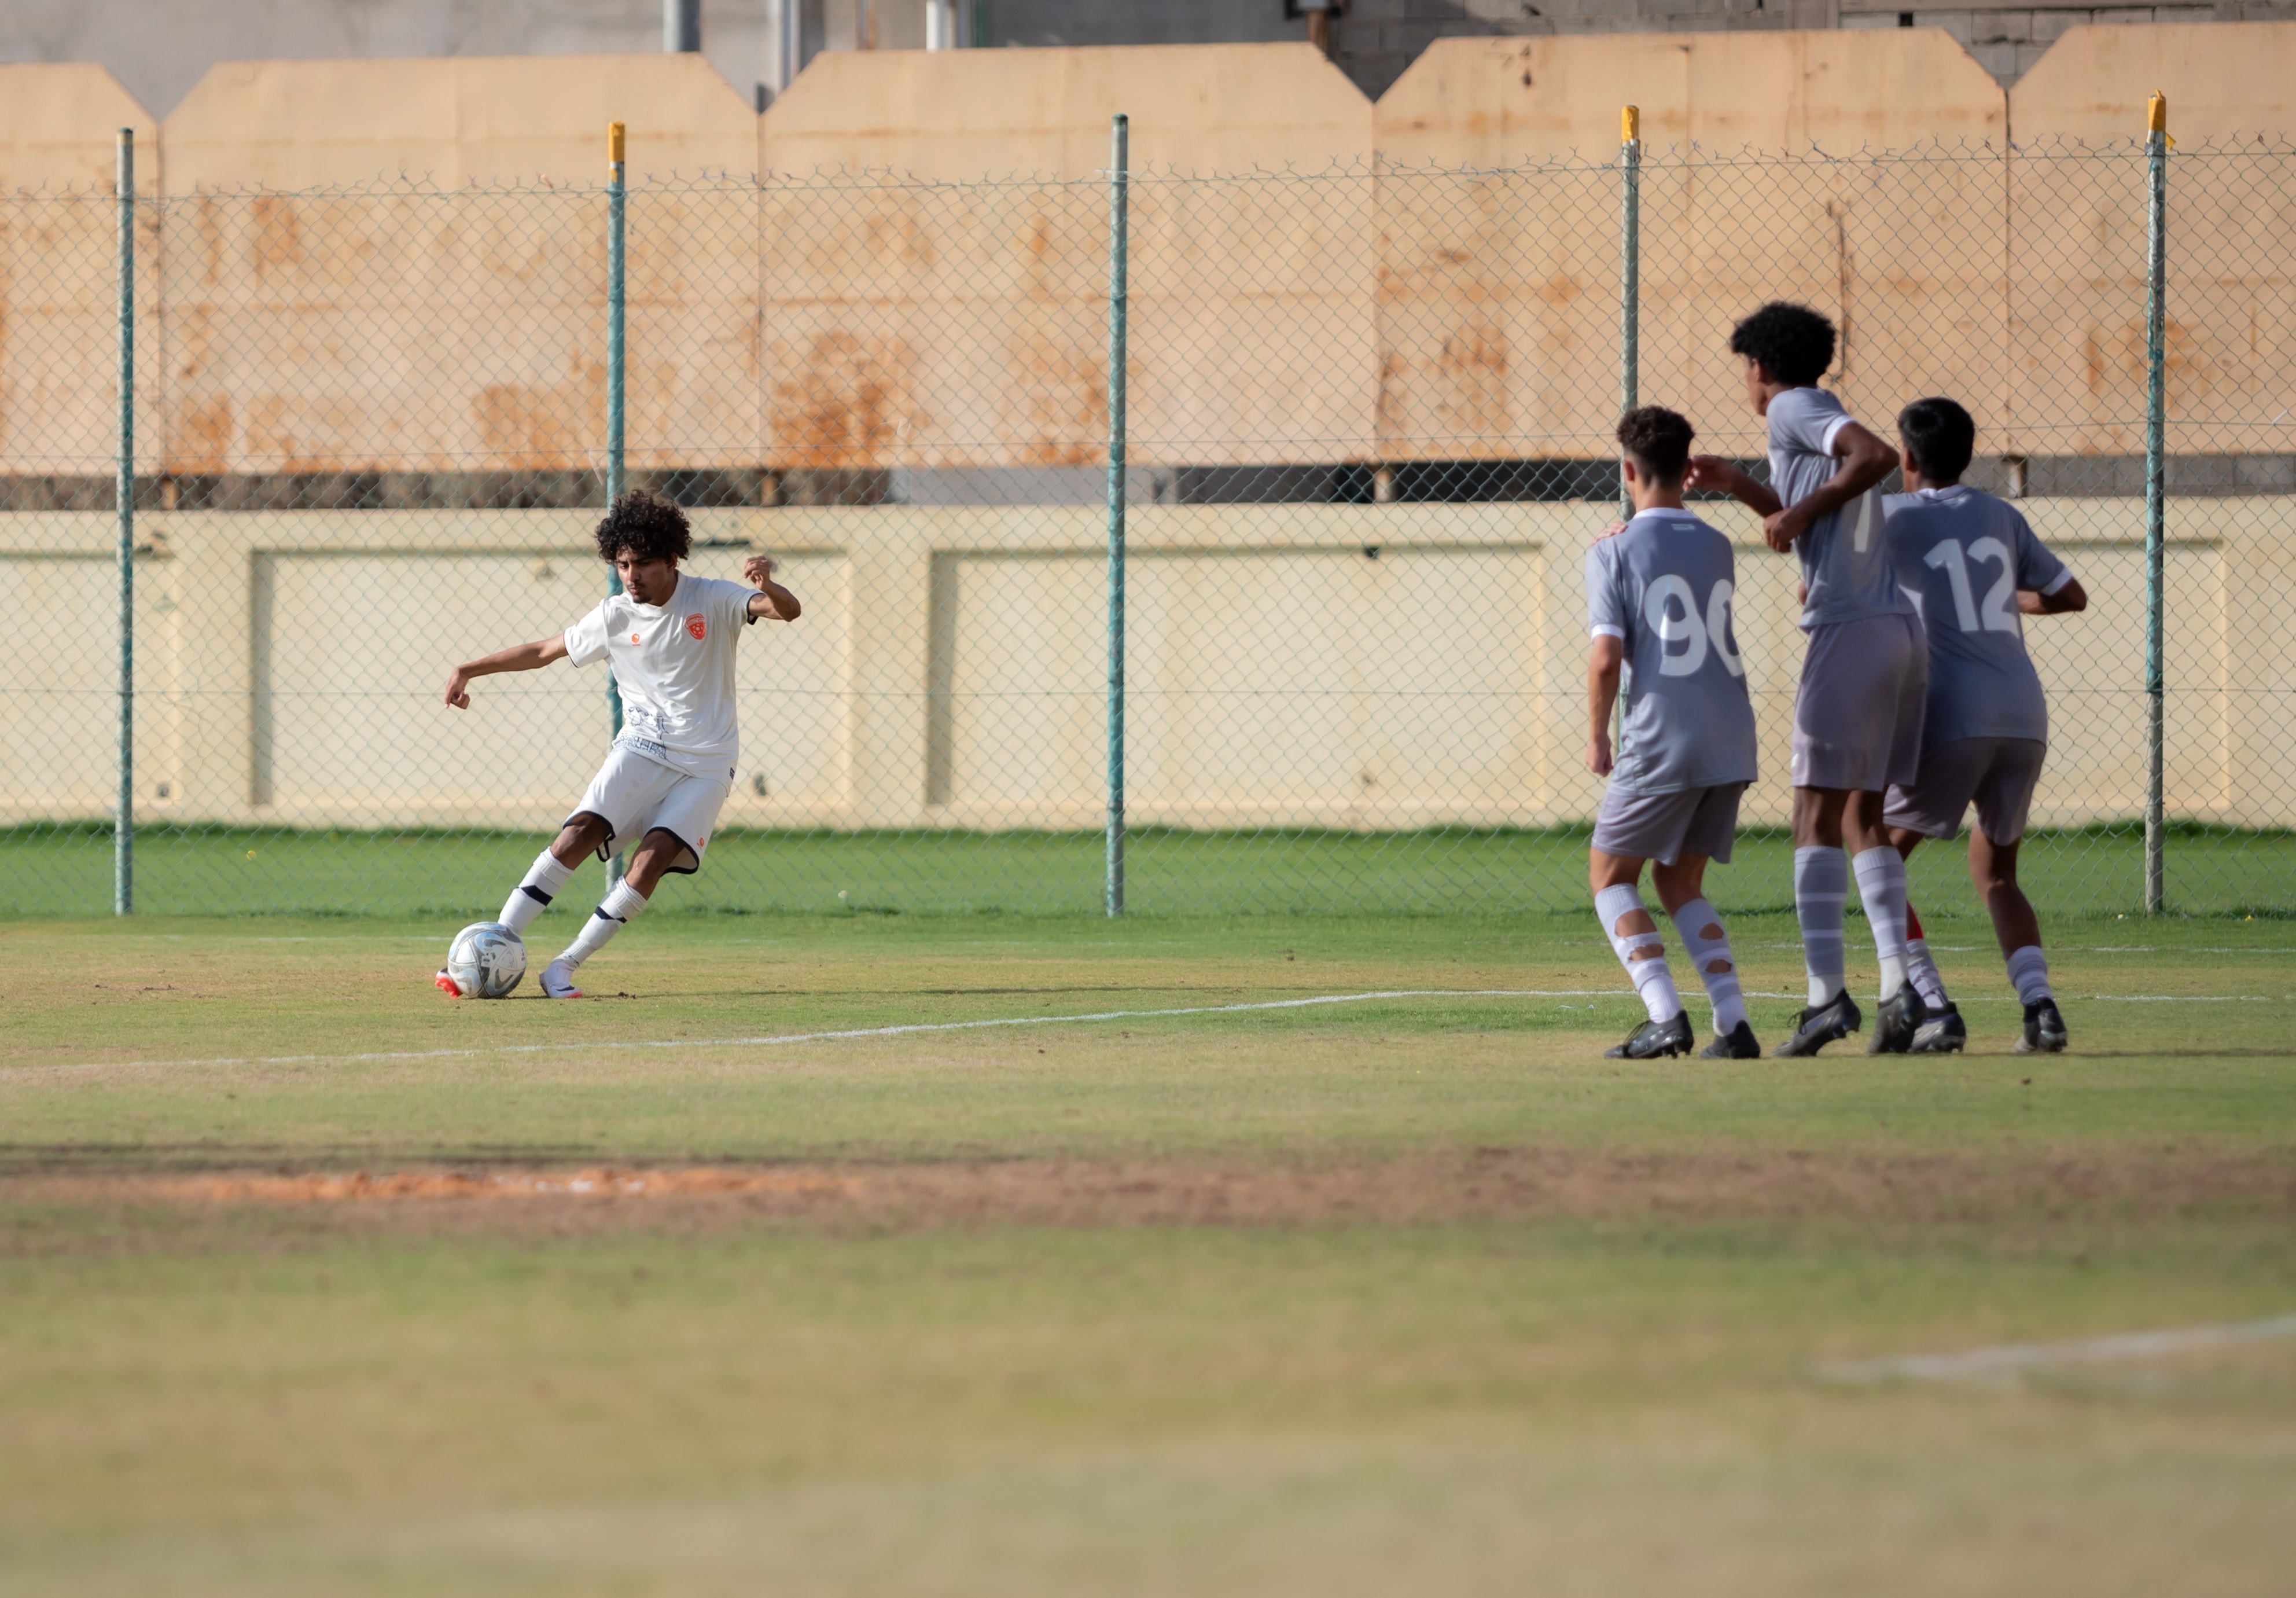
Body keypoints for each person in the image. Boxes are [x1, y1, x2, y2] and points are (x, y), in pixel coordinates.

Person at [439, 490, 801, 998]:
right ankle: (497, 942)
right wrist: (469, 669)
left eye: (644, 564)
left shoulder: (714, 598)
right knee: (577, 833)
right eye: (623, 564)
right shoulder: (613, 615)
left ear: (672, 559)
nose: (632, 575)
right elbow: (543, 651)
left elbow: (786, 610)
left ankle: (563, 967)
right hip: (642, 746)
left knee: (652, 860)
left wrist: (771, 585)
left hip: (707, 765)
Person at [1687, 302, 1928, 1056]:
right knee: (1863, 815)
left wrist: (1801, 513)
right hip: (1896, 630)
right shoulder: (1806, 416)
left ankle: (1827, 998)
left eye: (1744, 370)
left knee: (1811, 815)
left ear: (1759, 369)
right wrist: (1740, 485)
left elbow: (1877, 455)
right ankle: (1899, 990)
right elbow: (1803, 519)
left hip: (1849, 627)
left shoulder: (1795, 405)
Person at [1876, 397, 2087, 1055]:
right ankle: (2040, 1009)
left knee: (1876, 853)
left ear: (1905, 457)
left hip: (1951, 707)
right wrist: (2003, 598)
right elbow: (2067, 594)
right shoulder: (2000, 512)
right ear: (1967, 455)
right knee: (1994, 870)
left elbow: (1820, 589)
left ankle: (1933, 1005)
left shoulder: (1887, 516)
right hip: (2022, 710)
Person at [1585, 406, 1763, 1059]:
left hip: (1663, 732)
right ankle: (1733, 1022)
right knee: (1679, 880)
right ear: (1688, 470)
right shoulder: (1716, 543)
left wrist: (1598, 737)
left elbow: (1606, 655)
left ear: (1627, 470)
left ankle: (1663, 1015)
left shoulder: (1609, 550)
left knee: (1608, 875)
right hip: (1731, 733)